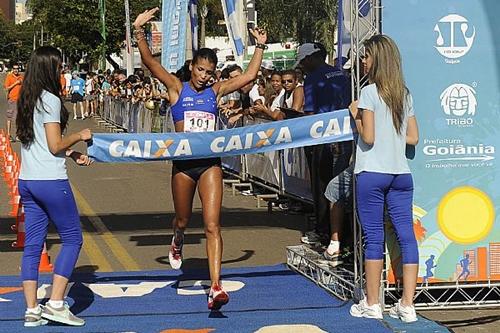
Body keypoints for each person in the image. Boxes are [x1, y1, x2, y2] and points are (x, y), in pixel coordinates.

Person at [133, 8, 267, 310]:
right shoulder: (176, 90)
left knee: (212, 226)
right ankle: (177, 238)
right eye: (201, 70)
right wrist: (139, 31)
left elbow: (248, 76)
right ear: (192, 67)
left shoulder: (215, 92)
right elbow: (150, 63)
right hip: (183, 166)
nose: (205, 77)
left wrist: (259, 45)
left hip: (209, 165)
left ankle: (215, 286)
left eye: (210, 72)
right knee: (183, 218)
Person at [16, 46, 93, 327]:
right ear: (49, 69)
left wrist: (71, 154)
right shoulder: (50, 100)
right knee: (73, 239)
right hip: (51, 181)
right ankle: (57, 303)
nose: (61, 72)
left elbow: (38, 143)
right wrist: (79, 136)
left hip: (28, 180)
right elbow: (54, 144)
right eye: (59, 67)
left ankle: (31, 309)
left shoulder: (27, 97)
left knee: (33, 245)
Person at [348, 35, 419, 322]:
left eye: (365, 56)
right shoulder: (404, 93)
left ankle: (373, 303)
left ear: (376, 59)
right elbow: (413, 137)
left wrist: (355, 115)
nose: (362, 61)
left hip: (372, 172)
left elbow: (368, 136)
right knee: (406, 236)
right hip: (401, 174)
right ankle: (407, 304)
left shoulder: (368, 93)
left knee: (374, 237)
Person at [296, 42, 352, 247]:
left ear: (311, 58)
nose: (301, 66)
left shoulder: (312, 79)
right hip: (345, 136)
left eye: (303, 62)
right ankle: (344, 235)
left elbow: (310, 113)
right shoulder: (340, 74)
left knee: (323, 187)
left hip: (324, 138)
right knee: (342, 186)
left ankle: (324, 233)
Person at [3, 63, 23, 141]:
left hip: (19, 100)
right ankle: (8, 134)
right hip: (12, 100)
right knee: (10, 117)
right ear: (12, 69)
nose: (16, 70)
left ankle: (18, 135)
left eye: (17, 68)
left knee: (18, 118)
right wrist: (15, 83)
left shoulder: (21, 77)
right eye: (14, 68)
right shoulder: (9, 77)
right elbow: (6, 88)